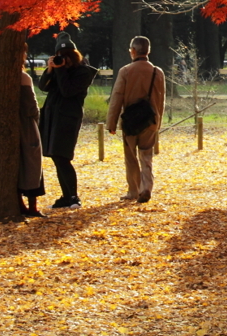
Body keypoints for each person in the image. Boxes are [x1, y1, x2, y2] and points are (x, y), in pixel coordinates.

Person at [39, 32, 98, 209]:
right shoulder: (58, 70)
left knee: (63, 157)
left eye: (68, 56)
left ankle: (73, 197)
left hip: (67, 118)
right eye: (60, 57)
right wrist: (50, 70)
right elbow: (43, 87)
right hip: (52, 117)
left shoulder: (83, 73)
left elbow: (67, 91)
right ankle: (66, 196)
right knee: (56, 157)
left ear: (75, 55)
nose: (64, 60)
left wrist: (61, 70)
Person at [106, 36, 166, 204]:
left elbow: (117, 97)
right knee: (146, 155)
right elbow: (161, 99)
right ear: (148, 51)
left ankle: (134, 190)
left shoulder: (125, 71)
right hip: (150, 120)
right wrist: (157, 122)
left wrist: (111, 123)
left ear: (133, 51)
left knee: (131, 156)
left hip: (131, 121)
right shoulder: (157, 72)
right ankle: (146, 187)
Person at [17, 44, 45, 218]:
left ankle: (20, 203)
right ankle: (32, 206)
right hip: (26, 127)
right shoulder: (23, 78)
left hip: (10, 126)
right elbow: (32, 108)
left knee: (17, 165)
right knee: (32, 164)